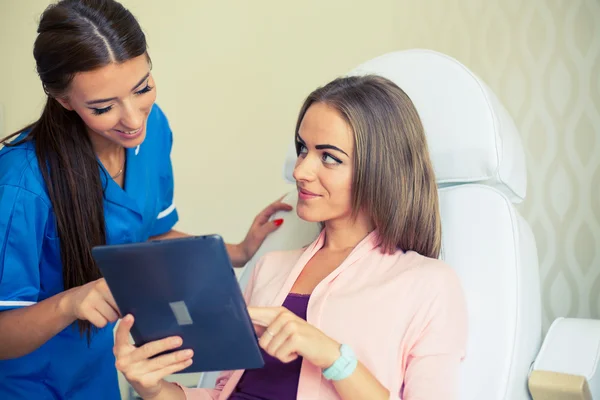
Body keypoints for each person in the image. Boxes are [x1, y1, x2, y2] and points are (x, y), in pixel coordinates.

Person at [0, 1, 291, 399]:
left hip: (99, 368)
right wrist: (70, 303)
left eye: (143, 88)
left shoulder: (153, 130)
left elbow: (145, 238)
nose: (133, 118)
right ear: (64, 99)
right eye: (103, 107)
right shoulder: (20, 183)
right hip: (26, 382)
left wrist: (238, 251)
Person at [115, 75, 469, 400]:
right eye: (303, 148)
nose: (300, 171)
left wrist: (332, 355)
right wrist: (154, 388)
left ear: (381, 169)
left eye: (329, 157)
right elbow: (220, 393)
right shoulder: (268, 268)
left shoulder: (427, 284)